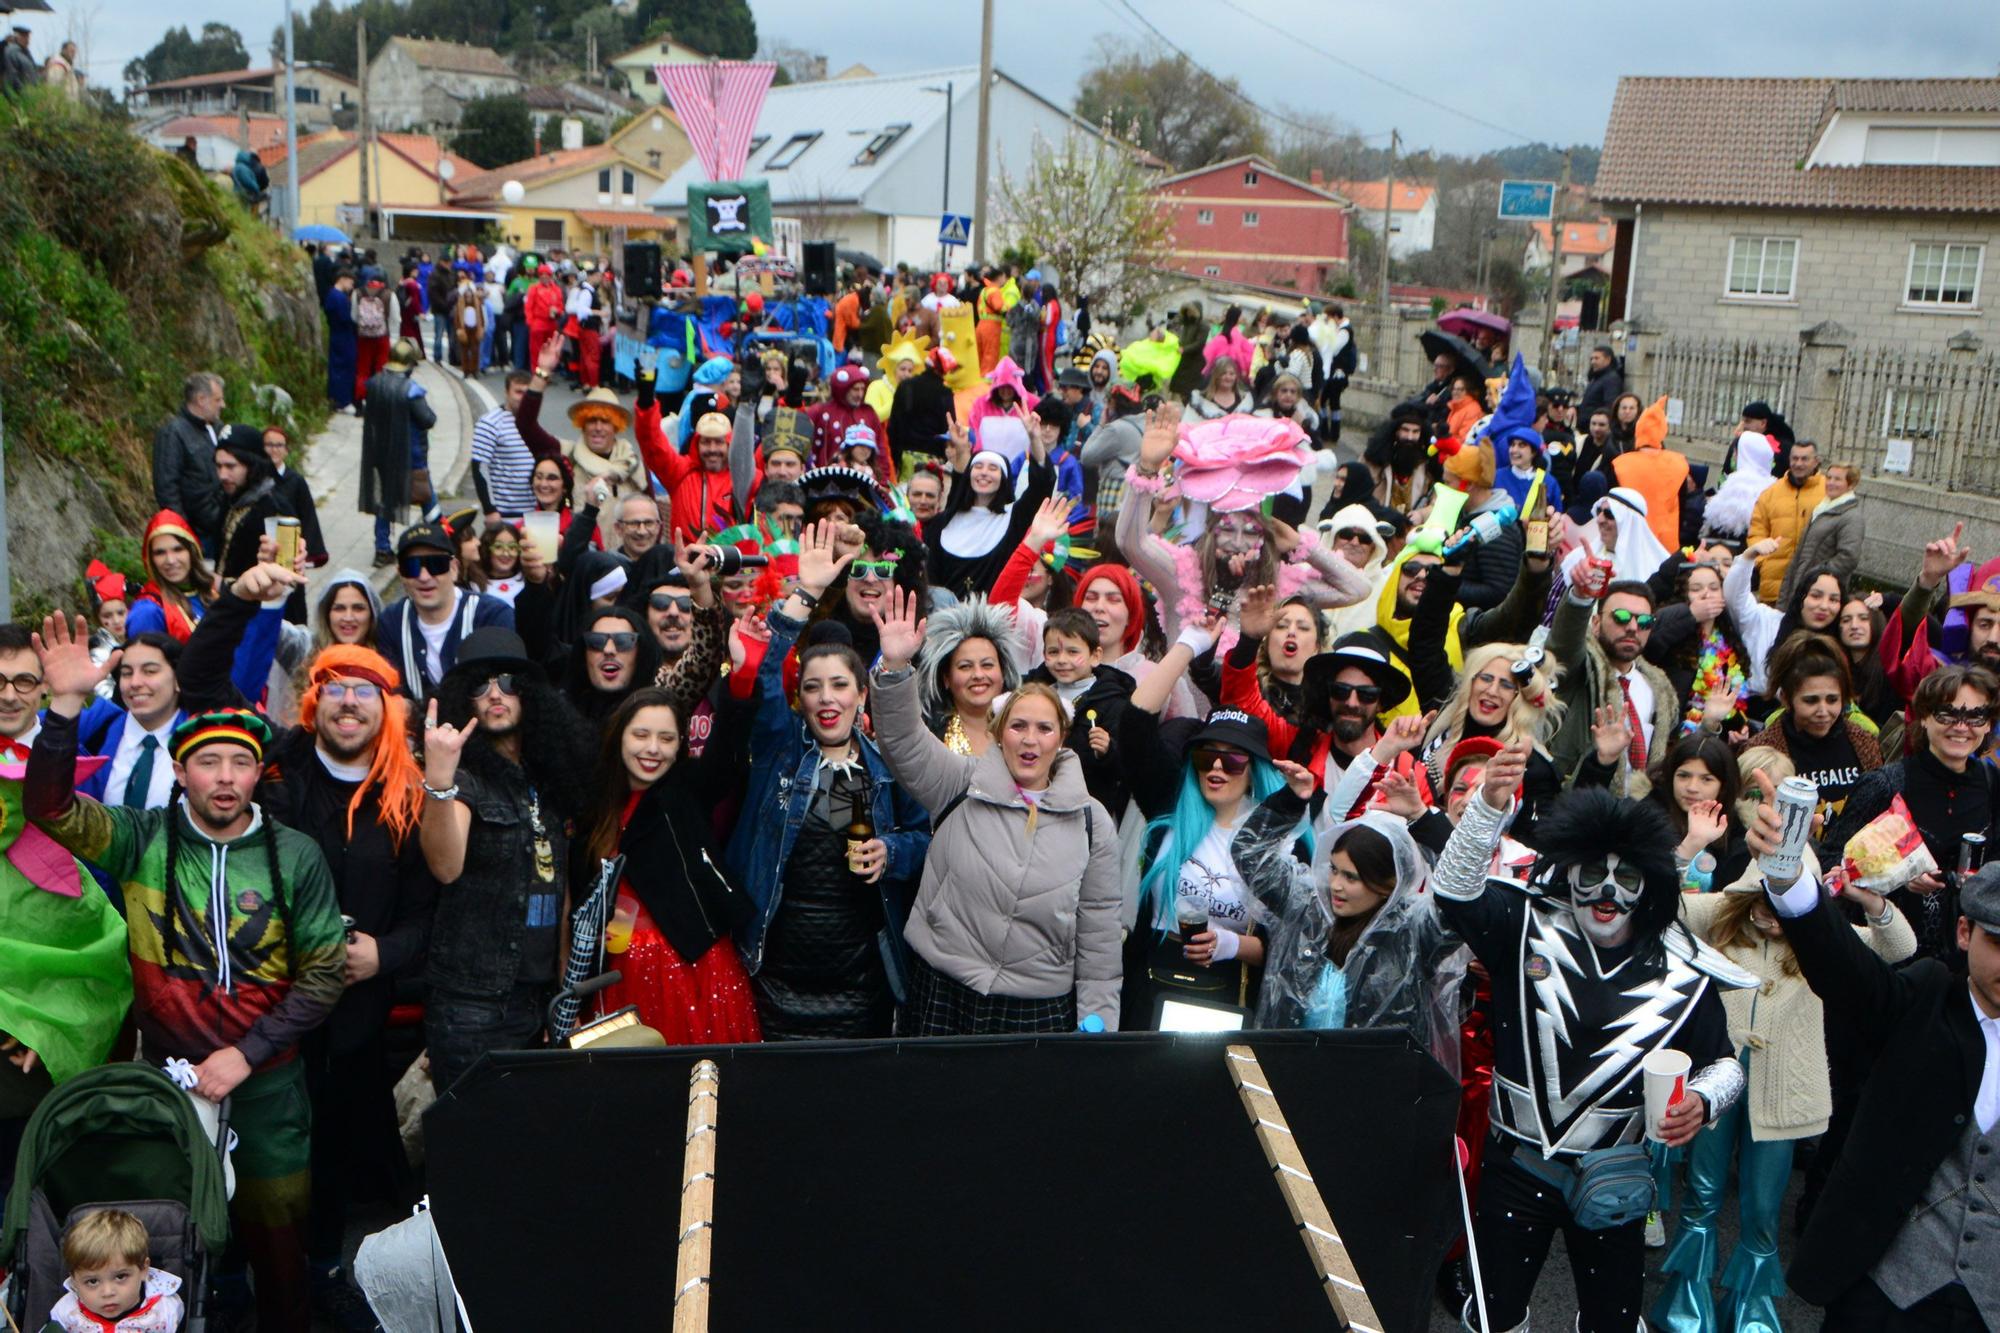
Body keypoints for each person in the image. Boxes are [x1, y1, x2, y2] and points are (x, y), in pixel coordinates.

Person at [25, 618, 347, 1333]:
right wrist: (67, 708)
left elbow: (325, 972)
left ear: (259, 769)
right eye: (209, 763)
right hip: (168, 1085)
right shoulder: (142, 838)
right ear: (181, 770)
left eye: (239, 761)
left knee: (281, 1245)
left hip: (268, 1087)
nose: (225, 777)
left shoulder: (295, 855)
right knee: (178, 1241)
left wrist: (246, 1054)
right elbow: (47, 810)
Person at [177, 564, 437, 1321]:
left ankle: (325, 1270)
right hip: (258, 999)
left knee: (334, 1145)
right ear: (314, 696)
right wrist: (240, 598)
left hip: (356, 1014)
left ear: (386, 706)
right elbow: (200, 685)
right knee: (240, 1144)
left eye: (367, 688)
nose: (350, 699)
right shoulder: (277, 765)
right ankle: (224, 1277)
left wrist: (382, 955)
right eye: (336, 684)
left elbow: (429, 914)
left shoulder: (406, 796)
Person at [1434, 758, 1752, 1333]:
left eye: (1626, 879)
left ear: (1649, 886)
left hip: (1614, 1175)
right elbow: (1454, 893)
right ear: (1569, 871)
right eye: (1593, 876)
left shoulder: (1679, 966)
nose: (1607, 892)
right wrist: (1485, 810)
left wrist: (1701, 1102)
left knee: (1613, 1321)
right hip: (1516, 1165)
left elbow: (1725, 1064)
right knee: (1492, 1316)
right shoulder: (1522, 923)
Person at [1744, 780, 2000, 1333]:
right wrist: (1788, 876)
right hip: (1884, 1287)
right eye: (1999, 942)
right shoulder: (1927, 996)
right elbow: (1844, 971)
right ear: (1964, 932)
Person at [1653, 853, 1916, 1333]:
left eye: (1781, 901)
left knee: (1761, 1207)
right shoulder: (1722, 919)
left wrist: (1867, 899)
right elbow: (1661, 905)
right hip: (1717, 1082)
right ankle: (1687, 1300)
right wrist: (1689, 848)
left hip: (1785, 1094)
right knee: (1703, 1194)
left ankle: (1752, 1306)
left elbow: (1898, 946)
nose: (1768, 912)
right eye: (1761, 899)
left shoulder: (1823, 944)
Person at [871, 585, 1121, 1033]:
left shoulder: (1092, 822)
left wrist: (1097, 1024)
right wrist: (894, 667)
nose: (1030, 739)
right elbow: (902, 741)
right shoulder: (960, 781)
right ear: (1000, 732)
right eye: (1019, 726)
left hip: (1036, 1006)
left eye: (1044, 728)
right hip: (944, 990)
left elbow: (1100, 934)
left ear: (1061, 739)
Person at [725, 522, 932, 1039]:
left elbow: (929, 840)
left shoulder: (888, 767)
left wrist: (892, 852)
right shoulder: (780, 751)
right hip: (775, 973)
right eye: (813, 687)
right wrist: (808, 591)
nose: (826, 697)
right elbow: (769, 667)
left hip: (860, 980)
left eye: (840, 684)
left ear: (862, 695)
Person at [417, 627, 590, 1090]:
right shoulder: (465, 780)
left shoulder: (549, 777)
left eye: (509, 681)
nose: (495, 694)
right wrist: (438, 780)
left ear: (529, 693)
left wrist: (563, 998)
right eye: (480, 684)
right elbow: (446, 865)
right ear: (464, 699)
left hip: (541, 1000)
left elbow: (562, 896)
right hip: (473, 1005)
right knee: (477, 1147)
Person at [1233, 774, 1464, 1064]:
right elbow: (1249, 854)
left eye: (1351, 877)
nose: (1336, 885)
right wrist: (1290, 799)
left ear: (1387, 884)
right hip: (1288, 1073)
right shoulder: (1307, 907)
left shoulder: (1413, 931)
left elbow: (1462, 900)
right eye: (1334, 870)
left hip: (1372, 1093)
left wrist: (1422, 818)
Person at [580, 688, 759, 1044]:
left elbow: (726, 756)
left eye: (666, 738)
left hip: (691, 968)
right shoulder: (595, 803)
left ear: (680, 746)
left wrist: (742, 679)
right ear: (619, 737)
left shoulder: (686, 790)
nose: (652, 749)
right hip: (614, 972)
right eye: (641, 735)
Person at [1821, 664, 2000, 973]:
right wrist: (1898, 875)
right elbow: (1830, 863)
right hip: (1887, 957)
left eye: (1975, 716)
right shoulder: (1884, 785)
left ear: (1988, 726)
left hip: (1967, 964)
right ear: (1925, 718)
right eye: (1947, 714)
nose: (1961, 726)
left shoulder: (1994, 785)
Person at [1546, 572, 1681, 794]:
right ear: (1596, 623)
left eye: (1645, 621)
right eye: (1621, 617)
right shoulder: (1578, 668)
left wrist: (1710, 726)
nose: (1632, 627)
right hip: (1577, 801)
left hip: (1636, 813)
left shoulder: (1659, 687)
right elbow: (1563, 644)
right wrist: (1580, 597)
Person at [1737, 631, 1883, 820]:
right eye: (1810, 701)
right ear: (1786, 699)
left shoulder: (1864, 742)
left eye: (1832, 700)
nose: (1823, 711)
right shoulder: (1761, 749)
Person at [376, 521, 516, 701]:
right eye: (411, 567)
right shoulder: (391, 622)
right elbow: (391, 693)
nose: (424, 577)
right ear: (401, 574)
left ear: (454, 569)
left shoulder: (491, 615)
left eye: (436, 564)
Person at [359, 339, 437, 565]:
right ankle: (440, 539)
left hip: (382, 455)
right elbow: (428, 419)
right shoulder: (411, 391)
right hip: (411, 457)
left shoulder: (375, 385)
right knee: (427, 499)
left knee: (385, 502)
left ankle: (382, 548)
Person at [46, 1208, 185, 1333]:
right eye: (92, 1281)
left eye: (120, 1277)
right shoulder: (67, 1313)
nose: (108, 1292)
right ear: (75, 1281)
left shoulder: (164, 1311)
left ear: (143, 1269)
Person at [151, 372, 226, 555]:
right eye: (218, 400)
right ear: (201, 399)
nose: (223, 405)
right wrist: (184, 533)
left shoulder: (218, 429)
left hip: (221, 529)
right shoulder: (173, 433)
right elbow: (167, 488)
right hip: (197, 534)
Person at [1747, 439, 1826, 603]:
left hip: (1814, 586)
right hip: (1774, 586)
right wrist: (1764, 562)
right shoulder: (1770, 493)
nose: (1798, 464)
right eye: (1795, 459)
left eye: (1804, 459)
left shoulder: (1828, 492)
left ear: (1816, 461)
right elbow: (1756, 532)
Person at [1775, 461, 1863, 608]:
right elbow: (1800, 556)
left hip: (1821, 596)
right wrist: (1783, 601)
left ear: (1851, 485)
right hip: (1800, 589)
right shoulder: (1822, 508)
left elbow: (1848, 558)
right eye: (1828, 478)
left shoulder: (1852, 517)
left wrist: (1816, 575)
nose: (1830, 483)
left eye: (1837, 479)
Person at [126, 511, 214, 643]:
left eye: (178, 549)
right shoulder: (148, 611)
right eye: (160, 553)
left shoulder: (211, 592)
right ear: (150, 560)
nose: (170, 560)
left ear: (192, 552)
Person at [469, 371, 545, 524]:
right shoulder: (490, 423)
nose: (523, 397)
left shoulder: (532, 423)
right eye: (518, 392)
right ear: (506, 392)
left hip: (534, 513)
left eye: (527, 392)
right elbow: (480, 467)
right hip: (506, 515)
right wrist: (490, 510)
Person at [323, 270, 359, 413]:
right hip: (344, 336)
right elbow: (346, 319)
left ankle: (336, 398)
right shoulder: (339, 298)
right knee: (345, 367)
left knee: (336, 366)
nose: (351, 286)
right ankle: (343, 401)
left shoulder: (331, 295)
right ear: (342, 279)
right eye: (350, 283)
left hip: (336, 334)